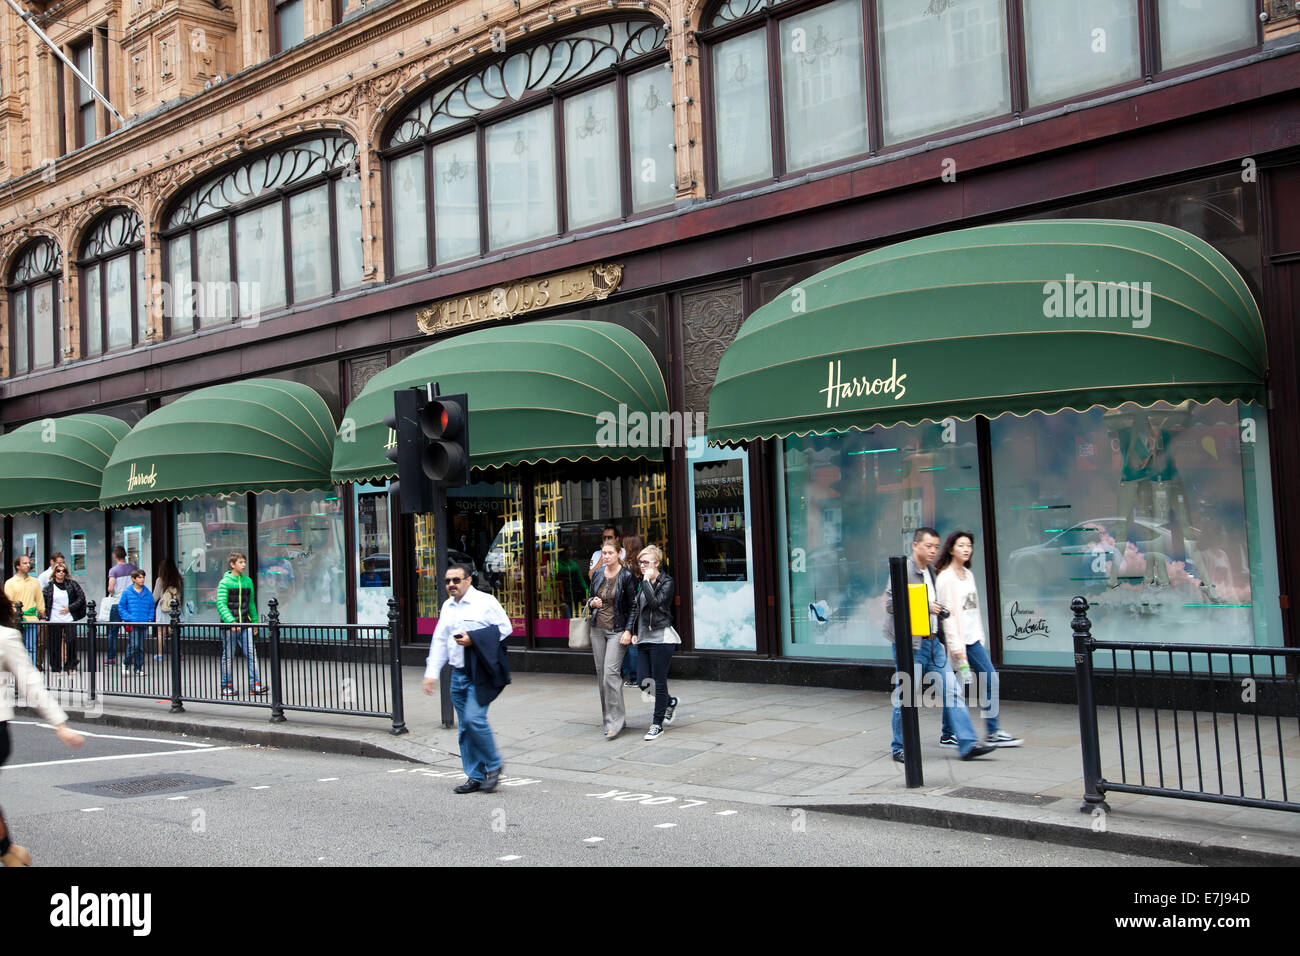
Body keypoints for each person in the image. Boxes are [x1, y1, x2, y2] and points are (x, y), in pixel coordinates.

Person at [885, 527, 994, 763]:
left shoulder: (933, 572)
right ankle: (899, 747)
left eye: (936, 546)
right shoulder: (903, 569)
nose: (933, 550)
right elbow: (891, 604)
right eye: (928, 546)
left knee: (953, 691)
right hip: (911, 645)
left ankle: (967, 744)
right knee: (907, 695)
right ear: (915, 546)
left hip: (934, 644)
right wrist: (925, 604)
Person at [1, 597, 85, 865]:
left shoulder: (5, 638)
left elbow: (31, 683)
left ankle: (7, 851)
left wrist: (59, 724)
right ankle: (9, 852)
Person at [422, 563, 512, 794]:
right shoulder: (447, 607)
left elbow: (505, 628)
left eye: (456, 580)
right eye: (447, 581)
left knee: (474, 720)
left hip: (480, 673)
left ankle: (493, 764)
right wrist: (431, 674)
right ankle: (475, 776)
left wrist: (474, 638)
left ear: (468, 580)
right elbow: (440, 640)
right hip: (457, 675)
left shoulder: (485, 602)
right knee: (465, 729)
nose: (451, 585)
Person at [934, 531, 1022, 749]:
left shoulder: (967, 574)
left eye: (969, 545)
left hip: (973, 640)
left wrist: (980, 636)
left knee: (968, 683)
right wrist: (956, 648)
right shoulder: (945, 577)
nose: (966, 549)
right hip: (960, 644)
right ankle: (981, 732)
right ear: (951, 548)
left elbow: (973, 610)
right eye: (961, 545)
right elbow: (948, 617)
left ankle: (959, 733)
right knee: (971, 683)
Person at [623, 544, 679, 741]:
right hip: (644, 637)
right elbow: (637, 608)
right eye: (640, 563)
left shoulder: (666, 582)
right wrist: (633, 630)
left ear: (656, 563)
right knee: (642, 681)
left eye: (646, 562)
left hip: (661, 638)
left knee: (659, 681)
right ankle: (669, 702)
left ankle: (657, 724)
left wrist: (647, 581)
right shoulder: (642, 581)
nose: (642, 566)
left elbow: (656, 603)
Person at [587, 541, 638, 739]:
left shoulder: (626, 576)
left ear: (619, 554)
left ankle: (615, 722)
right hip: (597, 629)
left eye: (610, 553)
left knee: (610, 673)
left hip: (617, 630)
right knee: (602, 676)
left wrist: (628, 630)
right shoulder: (598, 574)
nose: (606, 556)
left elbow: (634, 605)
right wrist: (593, 602)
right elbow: (590, 598)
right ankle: (611, 719)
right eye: (604, 553)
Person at [216, 552, 265, 696]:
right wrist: (231, 621)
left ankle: (255, 684)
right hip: (229, 626)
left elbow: (251, 604)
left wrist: (255, 622)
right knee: (228, 656)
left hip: (245, 623)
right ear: (232, 564)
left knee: (252, 653)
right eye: (240, 562)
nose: (244, 565)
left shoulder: (248, 581)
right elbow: (221, 604)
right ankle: (226, 686)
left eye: (244, 562)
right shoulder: (224, 582)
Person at [41, 563, 86, 672]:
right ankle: (56, 667)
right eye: (58, 571)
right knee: (54, 644)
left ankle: (70, 665)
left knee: (71, 642)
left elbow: (81, 598)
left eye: (63, 571)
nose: (61, 573)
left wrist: (70, 608)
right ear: (54, 573)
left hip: (68, 618)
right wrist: (42, 616)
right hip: (54, 619)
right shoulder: (49, 587)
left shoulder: (72, 584)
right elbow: (43, 601)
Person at [4, 555, 45, 666]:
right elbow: (8, 602)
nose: (28, 565)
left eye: (28, 563)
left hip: (32, 619)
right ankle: (19, 671)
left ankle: (29, 671)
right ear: (18, 566)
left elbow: (40, 600)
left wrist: (43, 615)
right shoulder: (10, 583)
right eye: (25, 563)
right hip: (16, 620)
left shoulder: (35, 582)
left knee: (31, 646)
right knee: (17, 647)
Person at [116, 570, 154, 676]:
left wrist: (149, 618)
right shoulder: (127, 592)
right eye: (139, 577)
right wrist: (128, 618)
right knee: (134, 645)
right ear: (133, 579)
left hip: (144, 623)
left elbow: (151, 606)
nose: (142, 579)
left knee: (140, 647)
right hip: (132, 623)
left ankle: (138, 668)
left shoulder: (147, 592)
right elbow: (121, 607)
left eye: (143, 577)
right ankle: (126, 663)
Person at [104, 546, 137, 665]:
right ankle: (131, 655)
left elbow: (111, 588)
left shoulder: (113, 571)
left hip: (117, 603)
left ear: (114, 556)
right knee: (131, 631)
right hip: (130, 604)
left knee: (113, 631)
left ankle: (111, 657)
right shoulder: (133, 568)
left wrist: (112, 591)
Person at [619, 532, 644, 686]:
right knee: (635, 641)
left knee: (630, 643)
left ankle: (633, 676)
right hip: (641, 608)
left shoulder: (625, 567)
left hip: (630, 609)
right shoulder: (641, 565)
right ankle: (636, 675)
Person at [153, 559, 183, 660]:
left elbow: (155, 597)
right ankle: (177, 652)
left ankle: (160, 654)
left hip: (163, 609)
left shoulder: (160, 580)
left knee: (161, 633)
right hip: (175, 609)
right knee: (174, 631)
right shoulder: (178, 579)